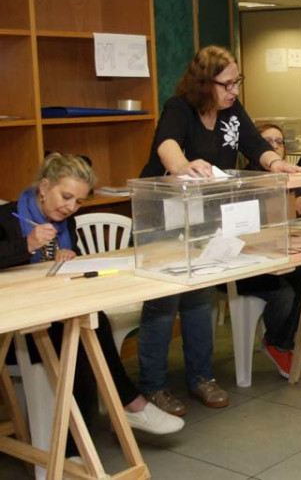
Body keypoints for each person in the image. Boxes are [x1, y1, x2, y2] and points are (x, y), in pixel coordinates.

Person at [138, 45, 301, 416]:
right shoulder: (179, 108)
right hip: (165, 215)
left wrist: (277, 164)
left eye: (237, 82)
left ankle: (200, 377)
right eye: (227, 83)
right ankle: (153, 386)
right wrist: (184, 164)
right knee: (163, 304)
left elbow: (255, 144)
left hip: (205, 218)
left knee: (200, 300)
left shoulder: (232, 111)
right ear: (204, 82)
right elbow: (166, 145)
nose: (234, 90)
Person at [0, 153, 184, 453]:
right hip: (14, 328)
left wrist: (68, 256)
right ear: (44, 187)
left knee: (87, 325)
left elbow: (69, 265)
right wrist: (26, 245)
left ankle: (84, 443)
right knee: (80, 337)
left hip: (52, 314)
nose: (71, 207)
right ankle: (122, 410)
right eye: (66, 196)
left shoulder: (65, 223)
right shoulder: (6, 217)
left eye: (78, 202)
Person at [237, 123, 301, 378]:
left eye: (279, 142)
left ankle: (282, 343)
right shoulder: (244, 179)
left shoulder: (290, 175)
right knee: (284, 293)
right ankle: (277, 342)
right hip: (248, 264)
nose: (275, 146)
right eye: (268, 141)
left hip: (282, 258)